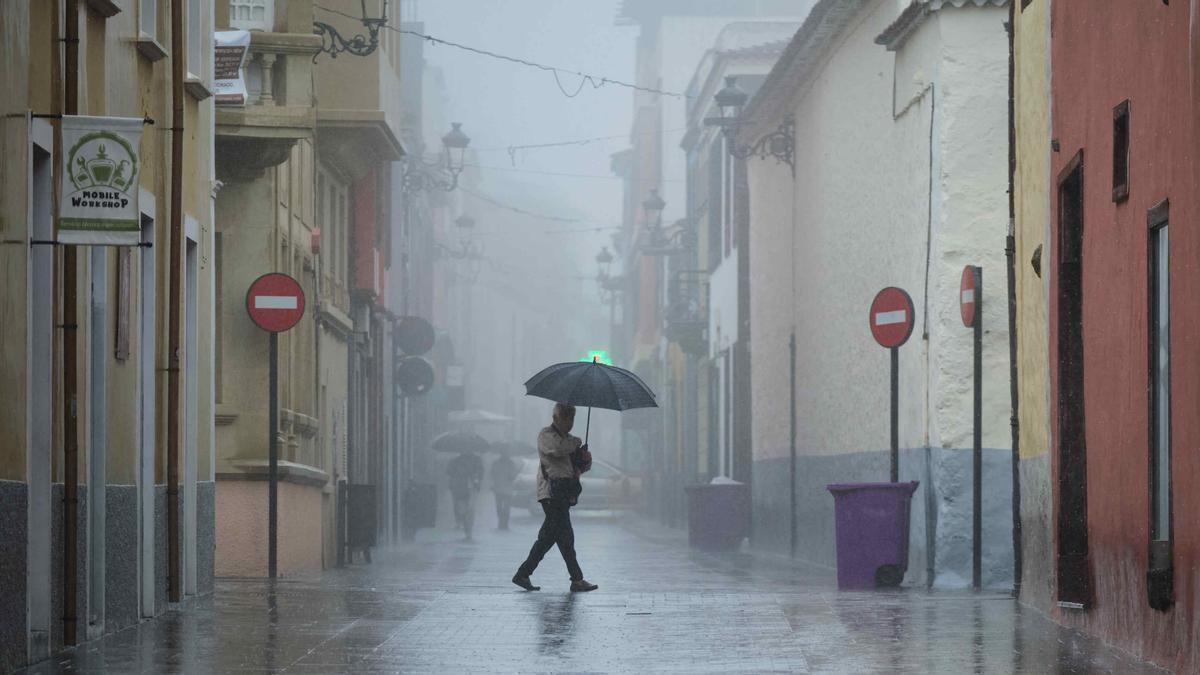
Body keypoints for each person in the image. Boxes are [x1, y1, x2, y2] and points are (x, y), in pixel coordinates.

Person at [512, 403, 599, 592]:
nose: (569, 423)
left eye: (572, 419)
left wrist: (584, 458)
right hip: (550, 493)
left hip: (565, 492)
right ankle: (576, 579)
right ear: (556, 418)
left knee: (550, 537)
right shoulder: (546, 436)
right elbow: (556, 450)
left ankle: (523, 574)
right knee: (564, 536)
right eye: (566, 419)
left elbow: (578, 467)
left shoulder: (571, 440)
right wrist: (575, 444)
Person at [446, 450, 483, 541]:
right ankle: (466, 528)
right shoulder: (455, 461)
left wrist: (474, 475)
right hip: (460, 488)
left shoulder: (477, 460)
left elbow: (481, 473)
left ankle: (468, 531)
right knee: (463, 510)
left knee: (470, 510)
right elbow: (449, 472)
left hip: (471, 488)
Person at [490, 447, 520, 531]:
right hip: (501, 489)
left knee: (504, 507)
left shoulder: (509, 463)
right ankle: (502, 524)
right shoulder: (499, 463)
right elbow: (492, 474)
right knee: (501, 508)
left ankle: (503, 524)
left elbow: (512, 476)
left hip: (504, 489)